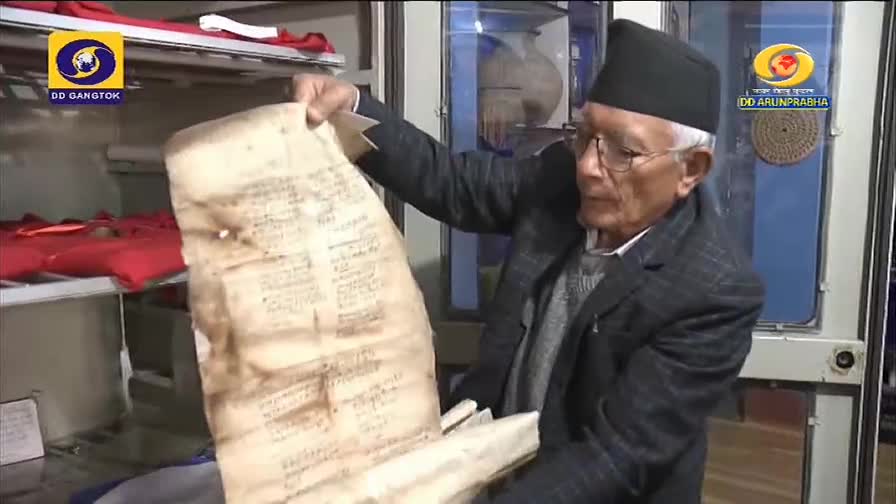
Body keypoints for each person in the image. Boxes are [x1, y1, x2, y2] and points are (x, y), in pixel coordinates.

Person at [292, 19, 765, 504]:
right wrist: (351, 107)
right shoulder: (560, 178)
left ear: (691, 169)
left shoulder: (714, 288)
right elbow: (455, 184)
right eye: (584, 136)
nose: (587, 167)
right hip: (493, 467)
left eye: (623, 152)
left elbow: (617, 454)